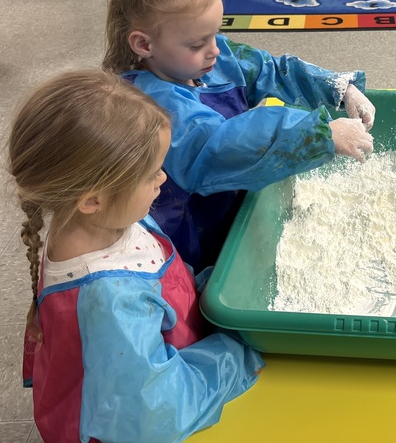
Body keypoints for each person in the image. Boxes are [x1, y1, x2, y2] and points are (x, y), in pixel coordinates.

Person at [14, 70, 263, 443]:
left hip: (130, 377)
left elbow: (163, 286)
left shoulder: (95, 221)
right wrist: (237, 350)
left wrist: (215, 285)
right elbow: (157, 413)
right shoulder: (111, 303)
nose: (163, 179)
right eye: (151, 175)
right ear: (92, 199)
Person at [103, 0, 375, 269]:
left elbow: (271, 70)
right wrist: (318, 134)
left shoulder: (209, 58)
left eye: (216, 34)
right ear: (144, 44)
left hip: (234, 196)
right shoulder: (147, 105)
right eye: (197, 43)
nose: (215, 50)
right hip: (197, 228)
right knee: (216, 280)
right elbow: (218, 144)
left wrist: (337, 88)